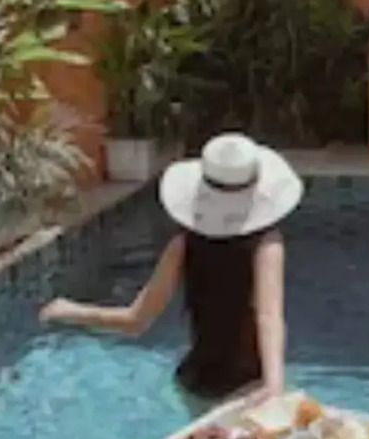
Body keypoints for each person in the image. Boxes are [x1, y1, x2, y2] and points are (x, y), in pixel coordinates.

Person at [39, 132, 304, 405]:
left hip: (198, 385)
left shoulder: (182, 245)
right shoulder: (267, 244)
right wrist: (274, 384)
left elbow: (136, 321)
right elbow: (269, 317)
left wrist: (70, 310)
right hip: (250, 385)